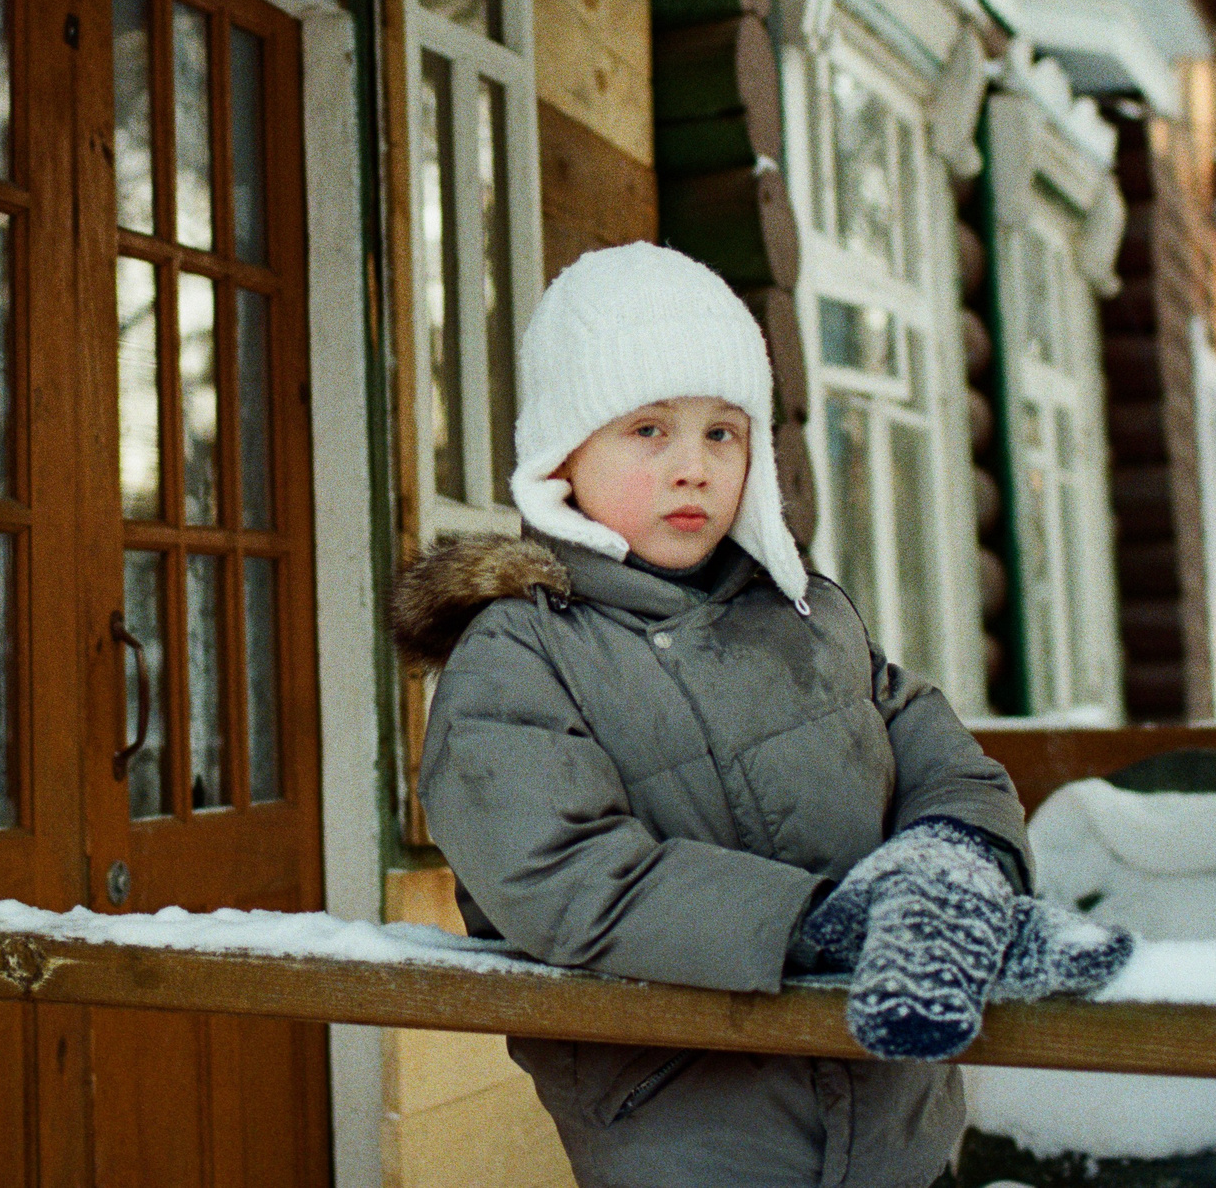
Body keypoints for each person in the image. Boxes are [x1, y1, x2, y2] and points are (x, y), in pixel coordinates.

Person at [393, 243, 1130, 1188]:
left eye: (723, 434)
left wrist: (951, 860)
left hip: (900, 1130)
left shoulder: (806, 615)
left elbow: (945, 760)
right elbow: (560, 873)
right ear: (561, 458)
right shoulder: (522, 653)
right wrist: (823, 926)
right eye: (648, 432)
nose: (692, 468)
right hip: (692, 1130)